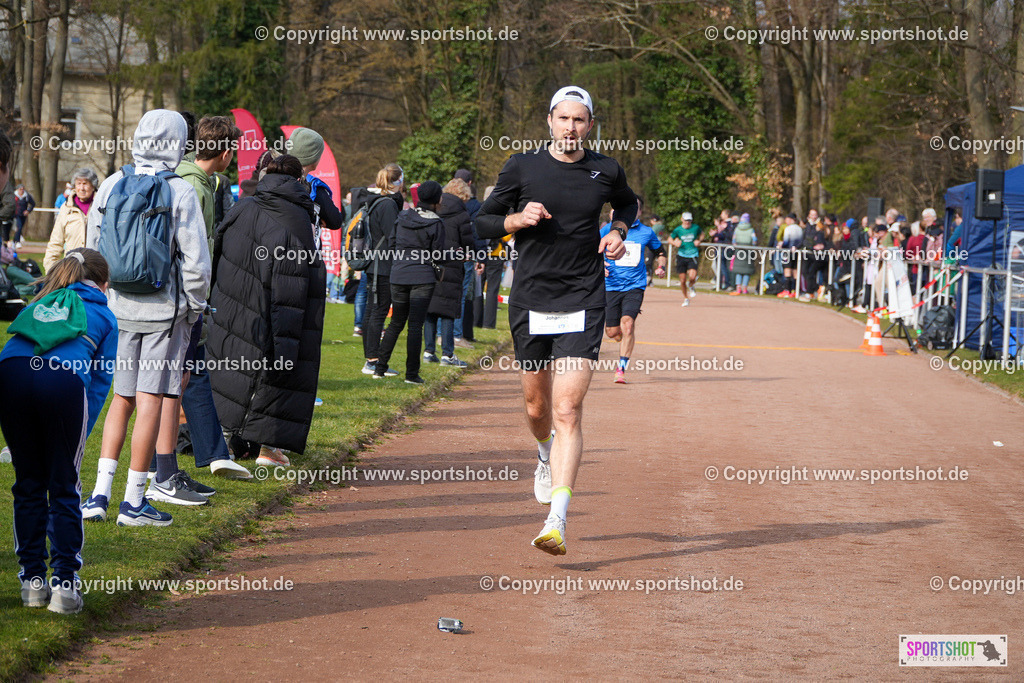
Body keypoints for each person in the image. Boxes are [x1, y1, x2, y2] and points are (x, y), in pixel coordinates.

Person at [476, 85, 637, 556]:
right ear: (549, 121)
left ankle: (557, 520)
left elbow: (627, 203)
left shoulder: (605, 170)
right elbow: (482, 222)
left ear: (591, 124)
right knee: (537, 409)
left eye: (580, 120)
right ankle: (542, 454)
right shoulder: (522, 167)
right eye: (563, 119)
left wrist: (618, 231)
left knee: (567, 410)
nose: (571, 128)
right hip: (531, 297)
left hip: (583, 297)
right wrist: (516, 220)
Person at [82, 109, 211, 527]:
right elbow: (197, 263)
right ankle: (134, 501)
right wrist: (194, 308)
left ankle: (99, 495)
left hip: (119, 308)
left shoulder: (111, 184)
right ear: (178, 142)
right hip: (164, 312)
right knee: (151, 400)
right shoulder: (180, 191)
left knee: (121, 398)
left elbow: (91, 249)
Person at [0, 248, 118, 614]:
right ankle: (64, 588)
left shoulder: (38, 301)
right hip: (62, 382)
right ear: (104, 283)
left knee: (28, 482)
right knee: (64, 485)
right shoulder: (103, 313)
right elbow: (98, 384)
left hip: (11, 374)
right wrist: (81, 428)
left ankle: (32, 585)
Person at [208, 154, 326, 459]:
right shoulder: (296, 217)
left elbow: (216, 249)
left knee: (229, 368)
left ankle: (225, 442)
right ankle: (262, 446)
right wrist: (288, 346)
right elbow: (292, 284)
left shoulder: (243, 205)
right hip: (268, 306)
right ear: (299, 181)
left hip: (229, 301)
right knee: (267, 375)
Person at [173, 115, 252, 481]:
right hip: (184, 299)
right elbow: (197, 250)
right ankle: (165, 467)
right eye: (233, 150)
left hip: (180, 297)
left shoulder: (188, 177)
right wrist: (198, 301)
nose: (234, 157)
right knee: (179, 379)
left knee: (194, 372)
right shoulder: (198, 187)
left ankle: (214, 453)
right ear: (223, 152)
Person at [374, 180, 446, 383]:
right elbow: (439, 255)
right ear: (437, 200)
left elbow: (392, 243)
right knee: (415, 326)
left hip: (398, 274)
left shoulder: (403, 216)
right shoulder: (436, 223)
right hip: (422, 277)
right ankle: (412, 375)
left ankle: (379, 368)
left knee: (396, 321)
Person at [601, 198, 665, 383]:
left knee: (627, 324)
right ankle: (623, 336)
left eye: (634, 208)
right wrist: (599, 264)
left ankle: (620, 369)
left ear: (639, 212)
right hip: (611, 285)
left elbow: (660, 252)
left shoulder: (647, 232)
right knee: (612, 332)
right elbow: (590, 249)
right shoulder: (608, 230)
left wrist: (661, 266)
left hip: (634, 286)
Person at [352, 163, 404, 376]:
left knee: (373, 311)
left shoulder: (376, 201)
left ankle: (370, 358)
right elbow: (393, 236)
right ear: (398, 181)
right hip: (383, 264)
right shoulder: (388, 205)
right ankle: (372, 360)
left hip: (375, 261)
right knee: (378, 311)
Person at [423, 178, 476, 366]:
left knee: (429, 309)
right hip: (452, 263)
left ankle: (428, 351)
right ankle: (447, 354)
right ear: (463, 195)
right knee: (447, 309)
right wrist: (470, 255)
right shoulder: (462, 214)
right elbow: (468, 242)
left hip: (430, 261)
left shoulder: (433, 207)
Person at [44, 168, 99, 272]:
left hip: (96, 269)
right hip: (72, 268)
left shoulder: (101, 207)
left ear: (93, 186)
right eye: (78, 184)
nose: (81, 188)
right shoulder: (66, 208)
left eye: (85, 184)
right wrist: (51, 270)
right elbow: (55, 242)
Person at [670, 211, 701, 305]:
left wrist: (699, 240)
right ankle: (686, 298)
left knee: (692, 276)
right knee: (682, 280)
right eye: (686, 220)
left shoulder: (696, 228)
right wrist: (674, 243)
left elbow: (702, 234)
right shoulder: (678, 230)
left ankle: (691, 285)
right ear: (682, 220)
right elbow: (670, 238)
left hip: (693, 255)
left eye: (689, 220)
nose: (687, 222)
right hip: (681, 255)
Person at [730, 213, 757, 295]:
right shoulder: (751, 229)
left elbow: (733, 240)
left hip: (738, 250)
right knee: (746, 271)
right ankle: (745, 288)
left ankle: (738, 288)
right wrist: (753, 246)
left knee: (738, 270)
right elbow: (754, 240)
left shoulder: (737, 229)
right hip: (748, 250)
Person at [13, 183, 35, 247]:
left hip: (23, 215)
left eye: (23, 189)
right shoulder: (14, 195)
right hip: (16, 215)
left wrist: (28, 210)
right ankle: (17, 242)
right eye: (20, 189)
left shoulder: (27, 196)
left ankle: (14, 241)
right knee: (18, 227)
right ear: (17, 189)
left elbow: (33, 204)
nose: (22, 190)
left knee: (20, 228)